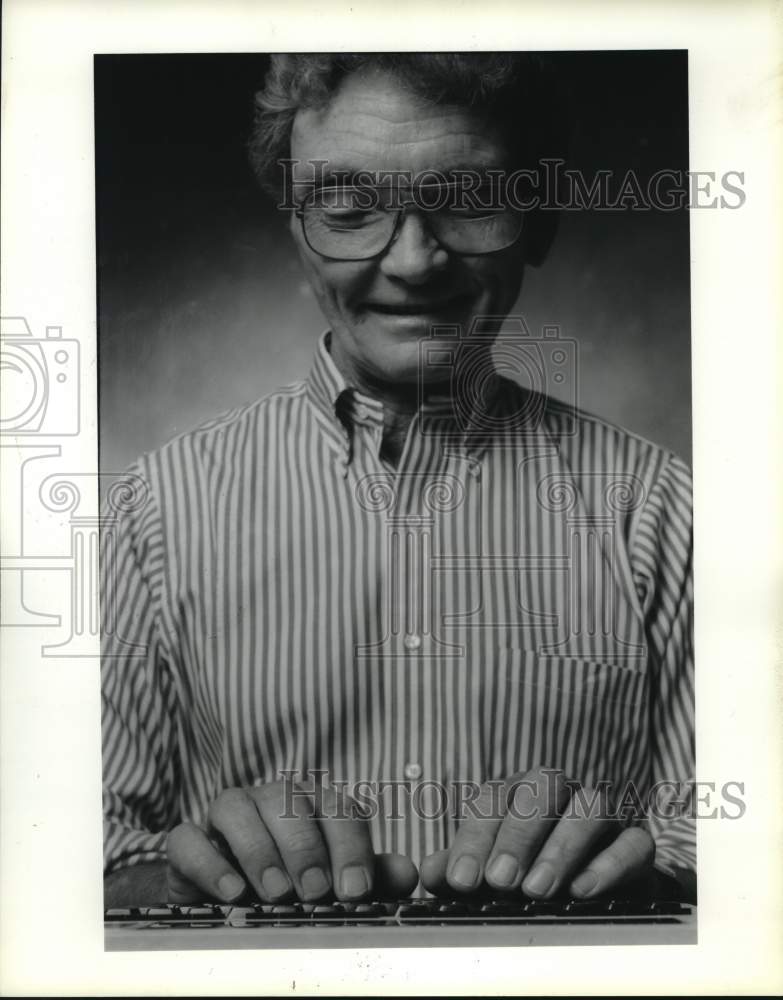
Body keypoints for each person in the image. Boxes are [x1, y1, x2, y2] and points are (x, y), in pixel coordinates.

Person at [102, 53, 695, 908]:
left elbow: (741, 851)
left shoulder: (665, 512)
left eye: (468, 200)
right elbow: (73, 855)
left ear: (541, 220)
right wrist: (193, 880)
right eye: (347, 207)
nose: (415, 261)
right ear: (295, 228)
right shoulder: (147, 514)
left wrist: (652, 873)